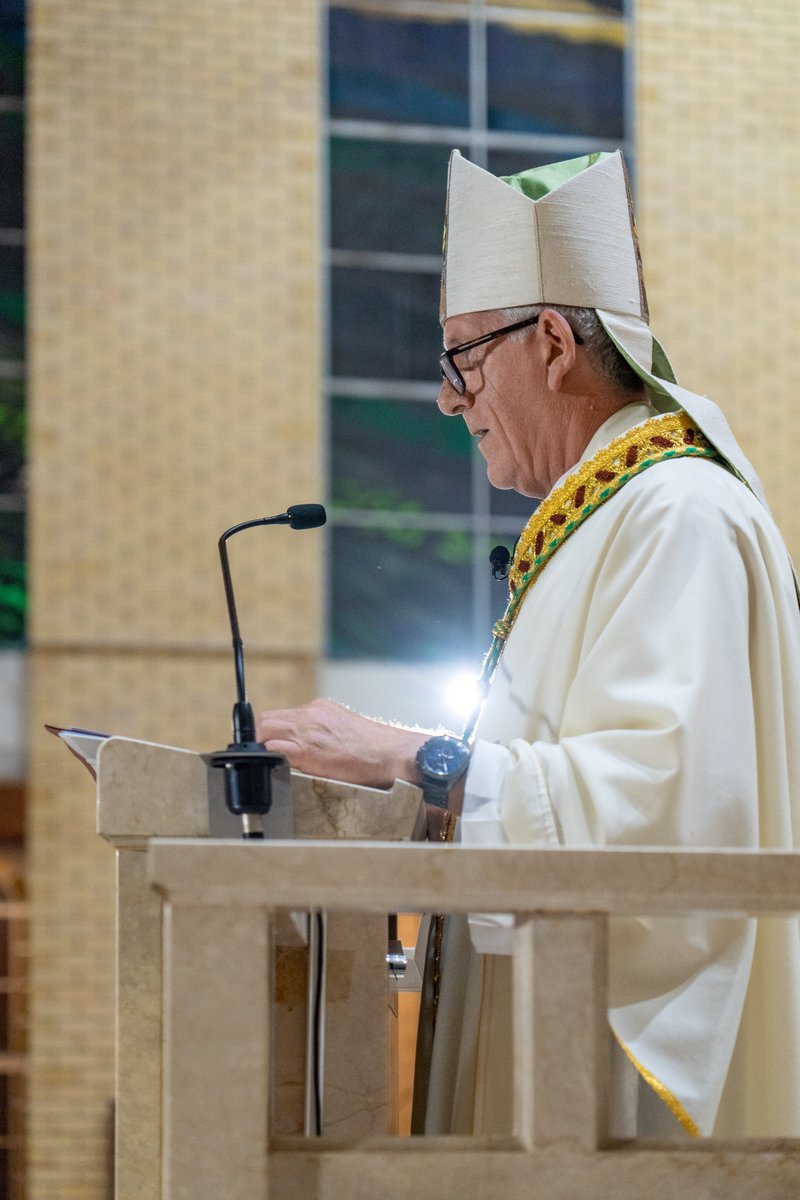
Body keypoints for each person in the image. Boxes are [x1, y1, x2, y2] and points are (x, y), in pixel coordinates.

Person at [257, 150, 800, 1138]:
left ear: (550, 341)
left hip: (618, 1078)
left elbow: (668, 807)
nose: (447, 400)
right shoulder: (607, 516)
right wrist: (410, 788)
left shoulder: (677, 515)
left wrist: (412, 761)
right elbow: (572, 771)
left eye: (461, 358)